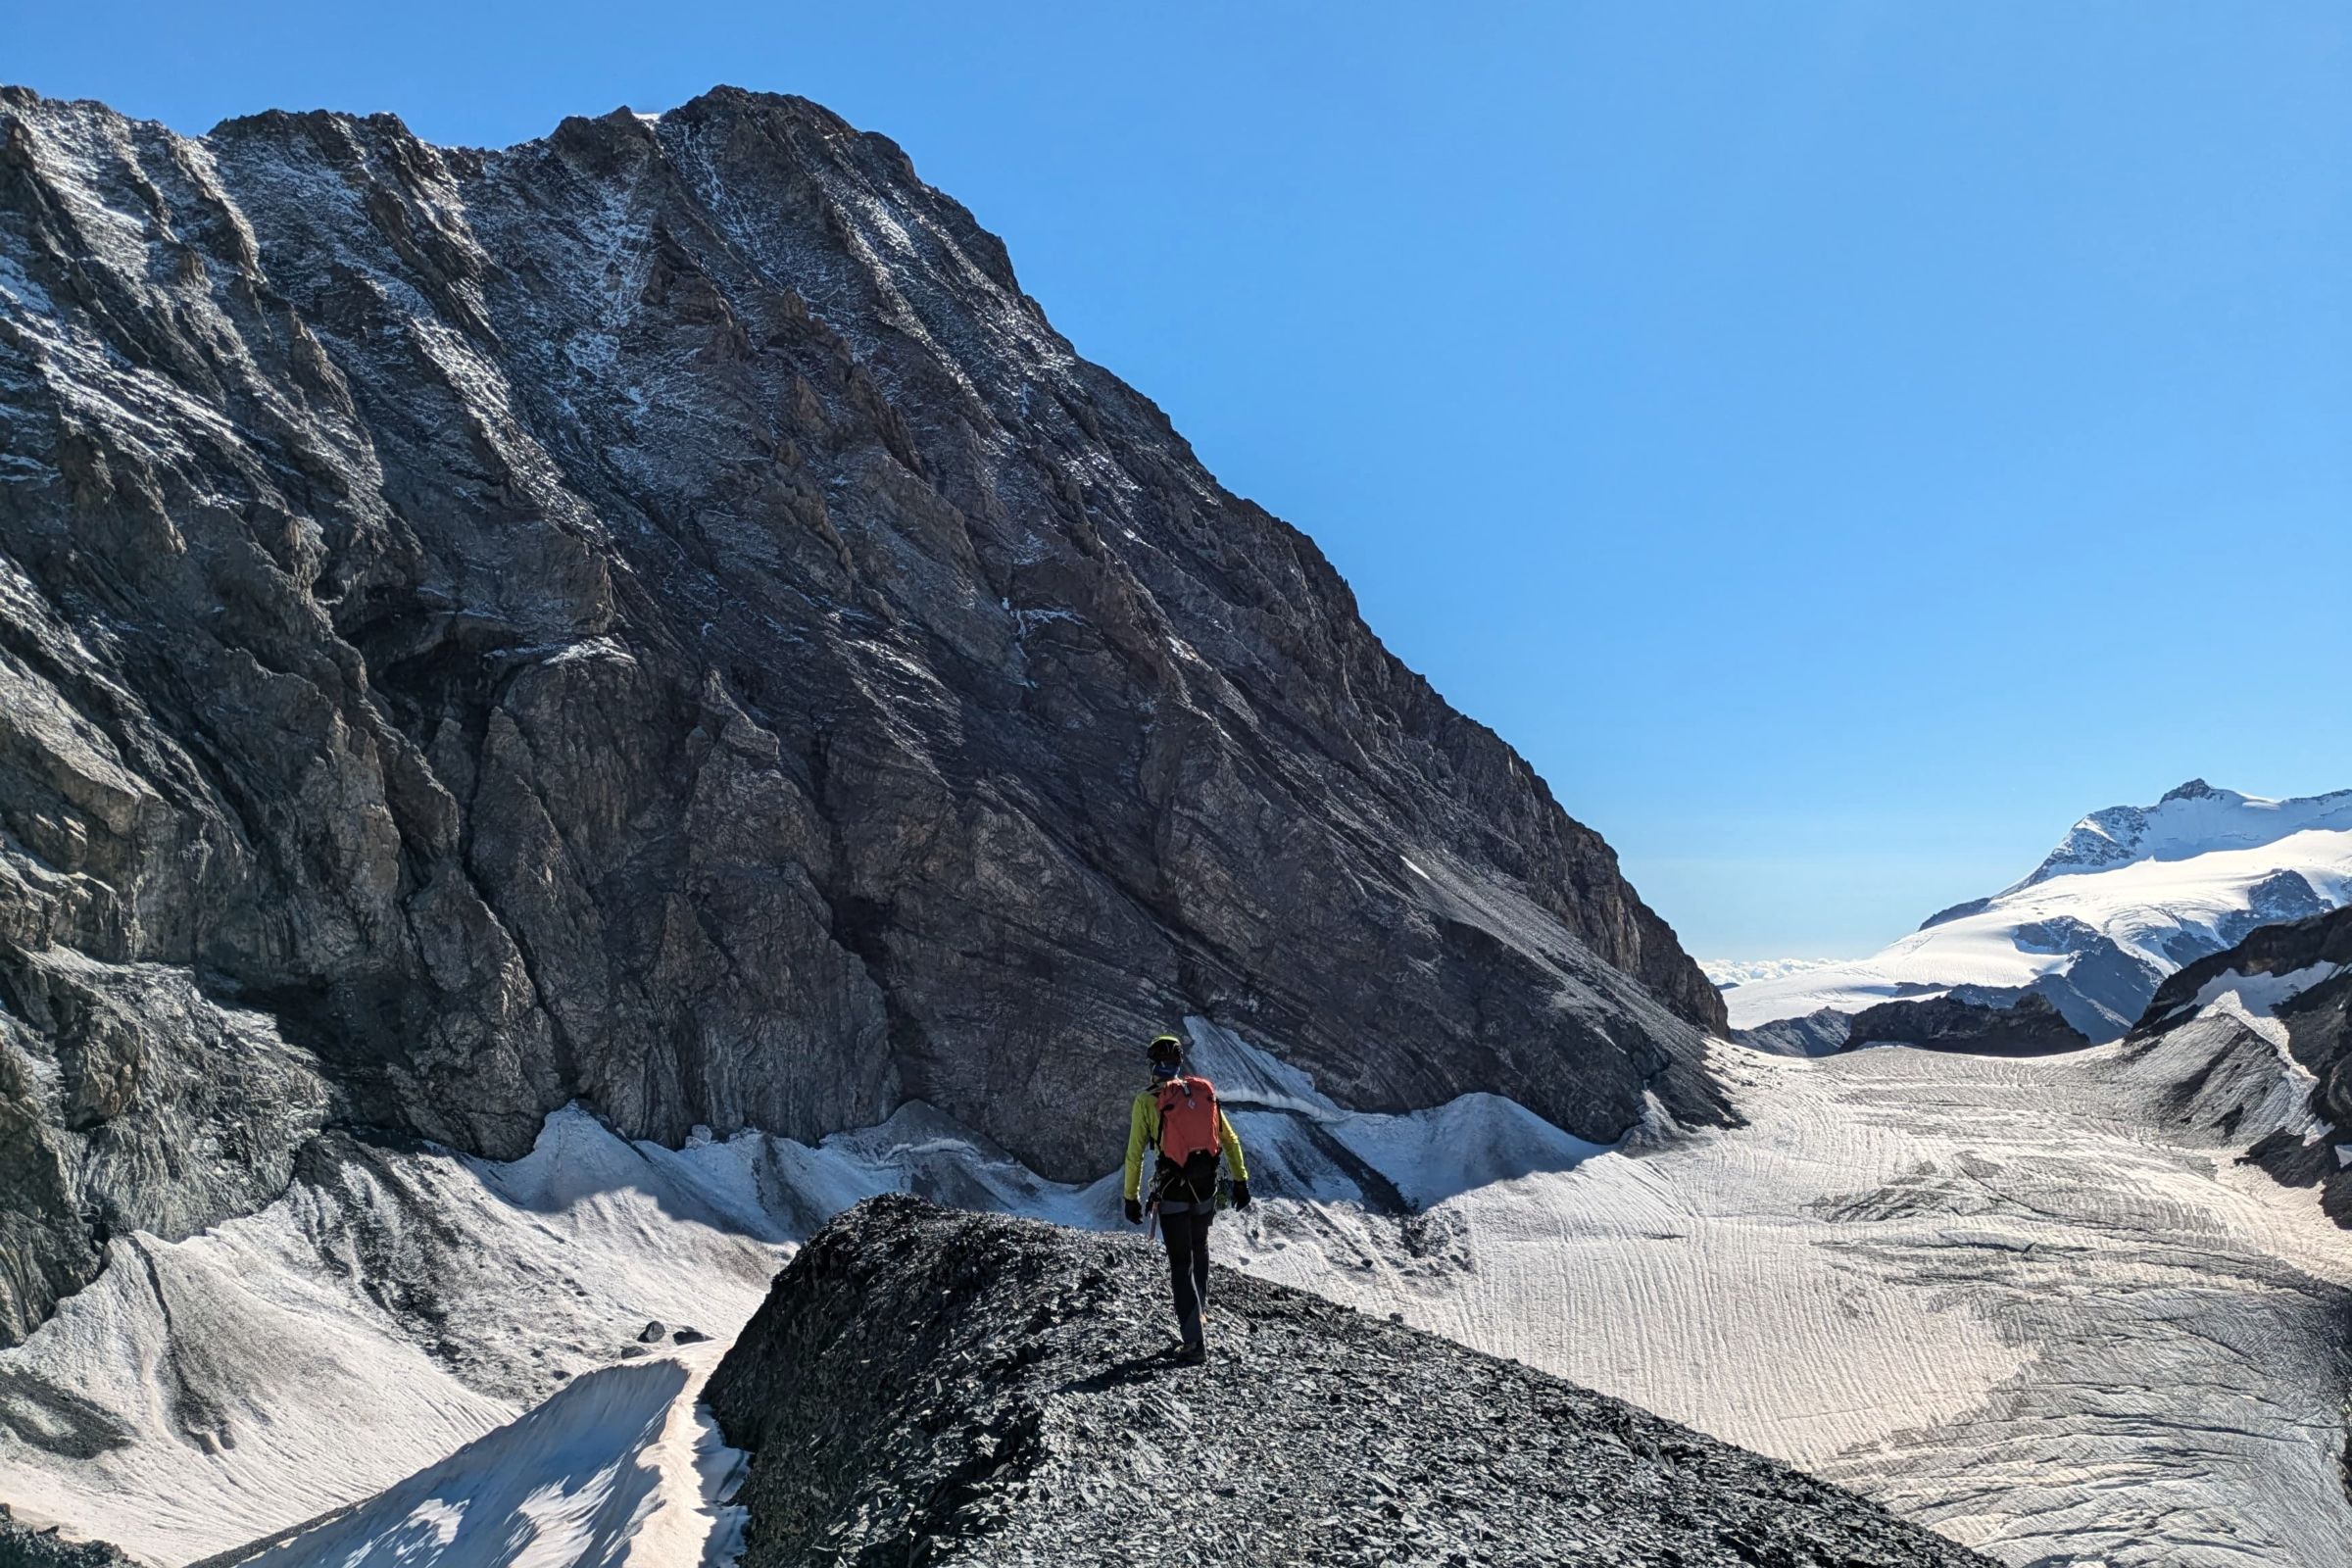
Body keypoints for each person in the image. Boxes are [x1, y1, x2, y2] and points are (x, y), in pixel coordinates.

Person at [1121, 1033, 1250, 1361]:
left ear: (1153, 1067)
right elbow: (1230, 1140)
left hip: (1174, 1190)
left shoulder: (1146, 1101)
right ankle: (1200, 1312)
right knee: (1199, 1248)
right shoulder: (1202, 1094)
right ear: (1178, 1065)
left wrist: (1130, 1197)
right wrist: (1241, 1181)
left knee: (1180, 1264)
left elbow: (1134, 1154)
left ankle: (1194, 1343)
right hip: (1206, 1187)